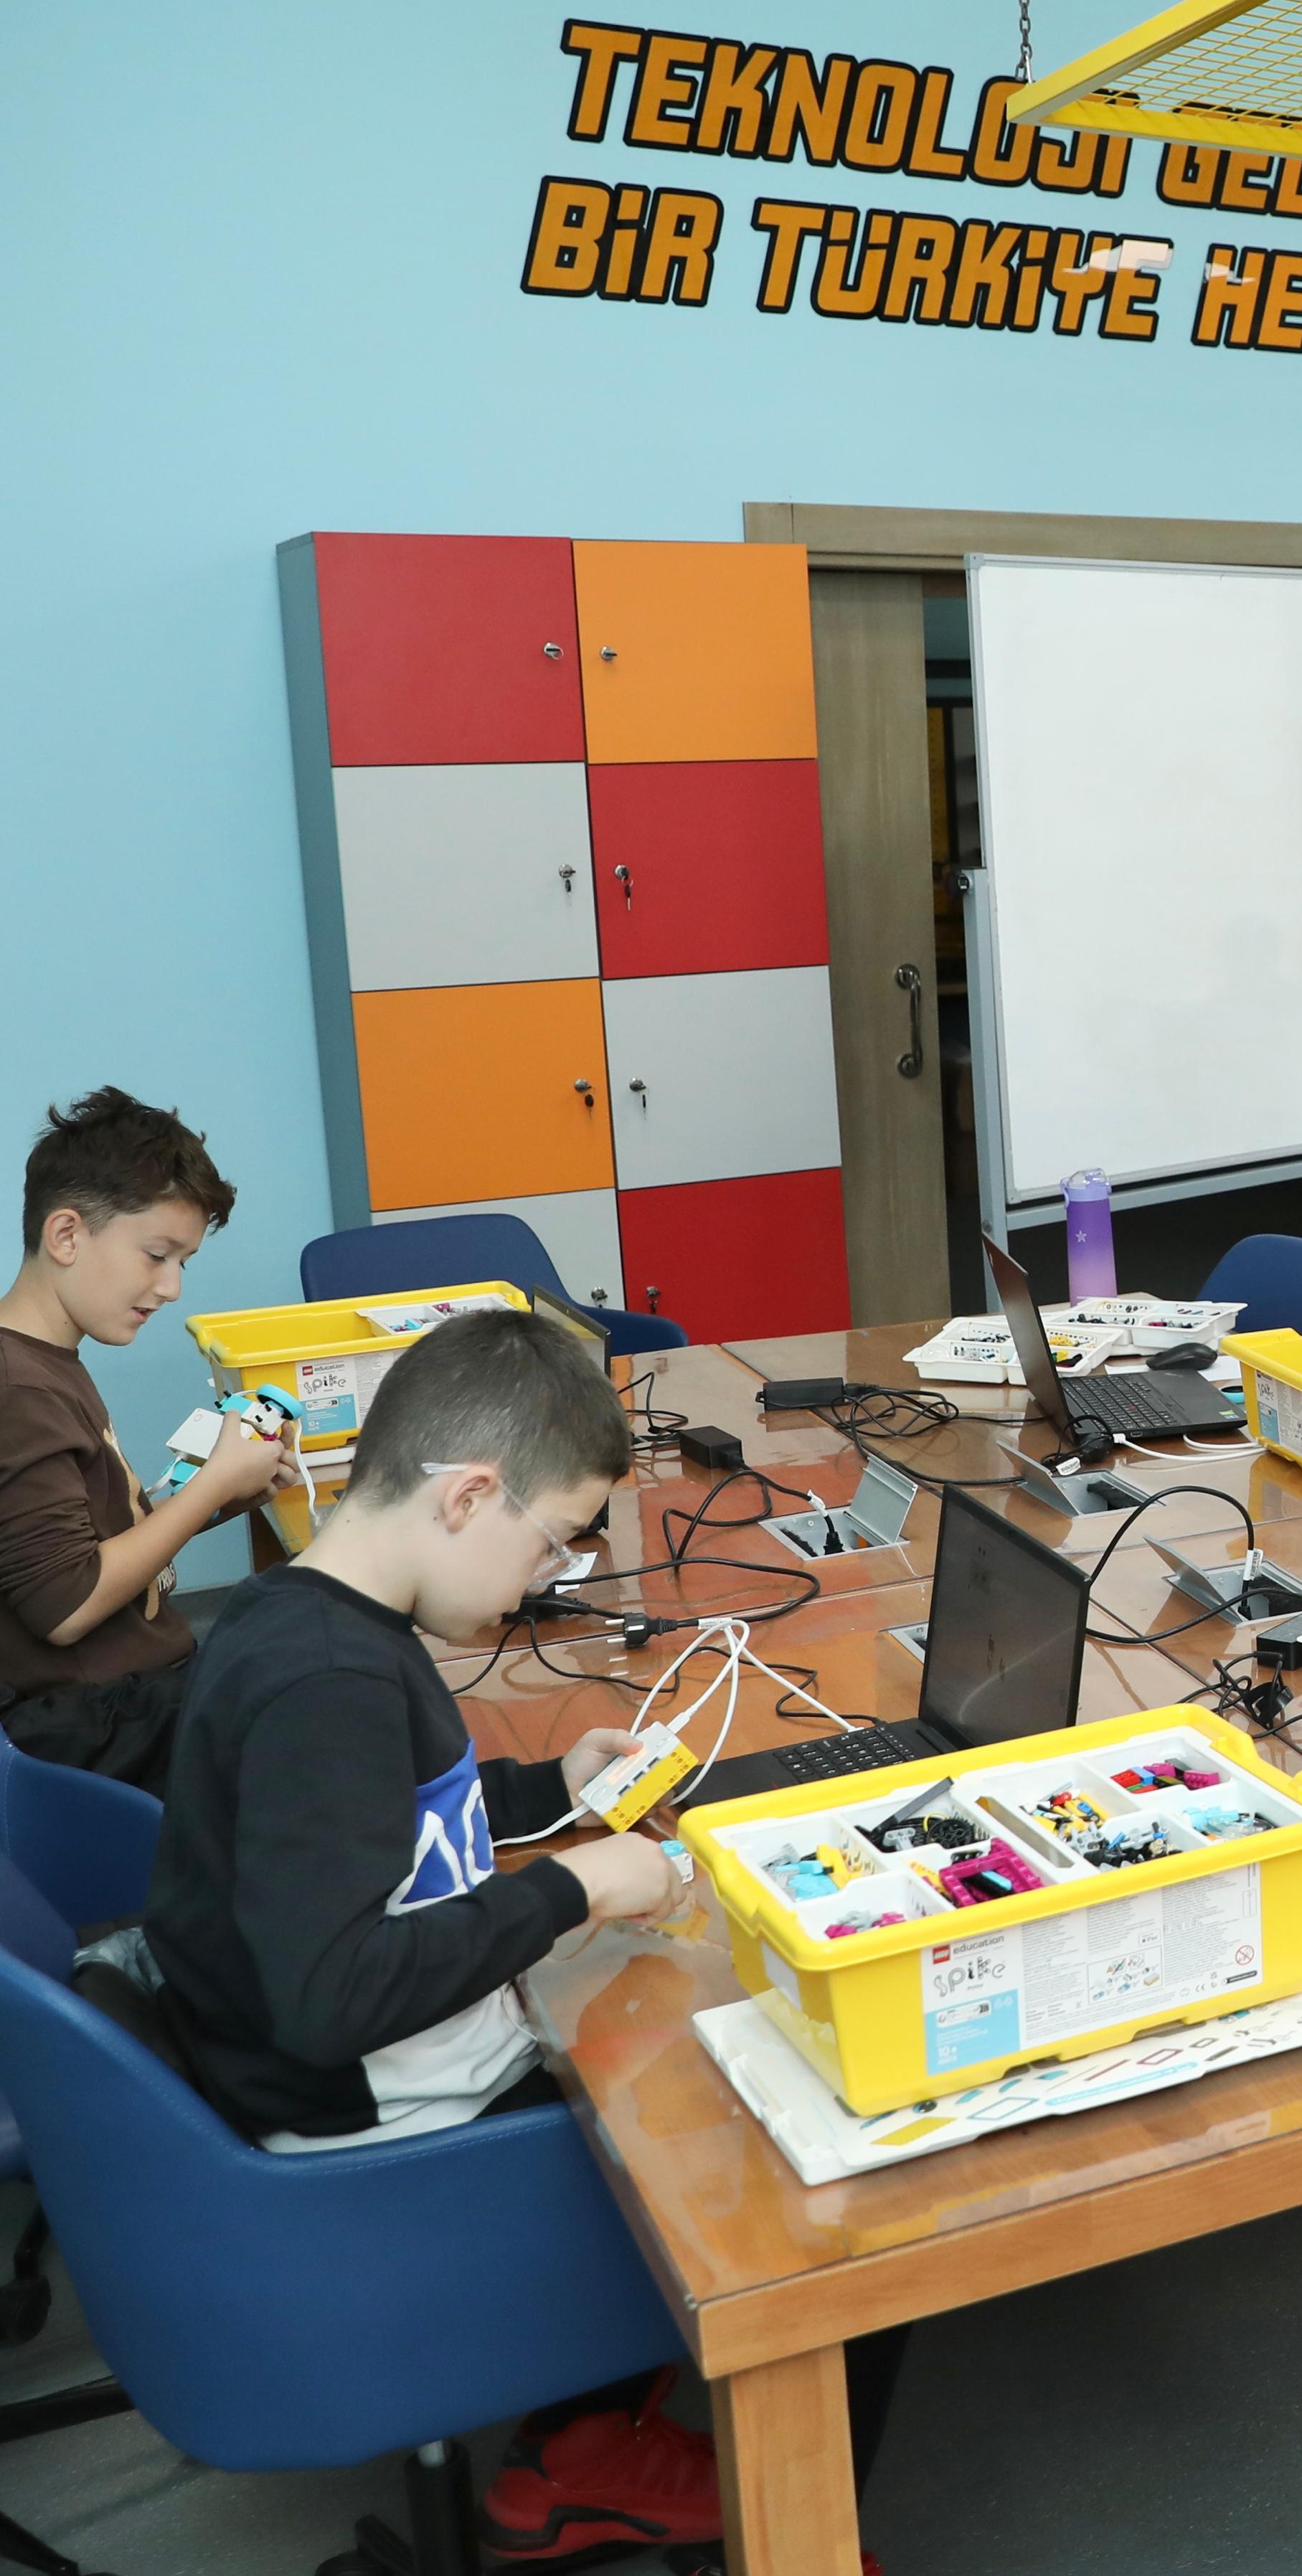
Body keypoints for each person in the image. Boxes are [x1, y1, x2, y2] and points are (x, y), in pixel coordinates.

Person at [132, 1307, 900, 2562]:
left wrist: (548, 1794)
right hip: (390, 2144)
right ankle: (780, 2507)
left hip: (371, 2076)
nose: (549, 1578)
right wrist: (573, 1889)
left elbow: (362, 1828)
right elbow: (332, 1996)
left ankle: (595, 2423)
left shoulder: (301, 1616)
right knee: (837, 2131)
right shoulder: (329, 1686)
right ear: (468, 1494)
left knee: (683, 1996)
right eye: (550, 1542)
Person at [0, 1088, 297, 1790]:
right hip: (90, 1723)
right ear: (66, 1235)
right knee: (326, 1689)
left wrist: (223, 1496)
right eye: (157, 1255)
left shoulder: (48, 1363)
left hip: (133, 1692)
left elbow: (98, 1541)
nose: (171, 1287)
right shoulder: (18, 1389)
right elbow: (66, 1605)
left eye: (182, 1262)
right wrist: (213, 1482)